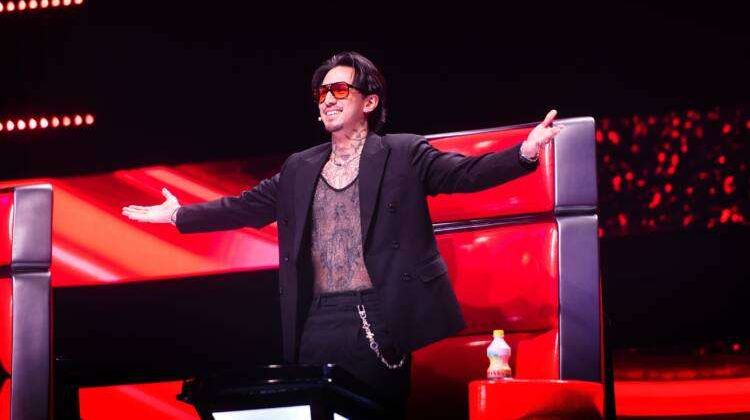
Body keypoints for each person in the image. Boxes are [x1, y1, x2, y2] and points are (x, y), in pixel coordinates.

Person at [122, 51, 564, 417]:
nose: (327, 100)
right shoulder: (300, 167)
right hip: (314, 320)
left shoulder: (403, 153)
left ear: (369, 102)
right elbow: (244, 206)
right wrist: (178, 215)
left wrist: (525, 152)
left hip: (378, 316)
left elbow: (466, 174)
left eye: (339, 90)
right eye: (321, 93)